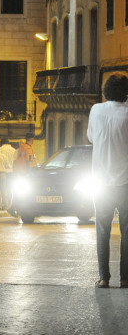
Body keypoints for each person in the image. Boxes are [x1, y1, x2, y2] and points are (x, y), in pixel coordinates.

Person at [87, 73, 128, 288]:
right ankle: (125, 278)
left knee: (102, 230)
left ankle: (104, 278)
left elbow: (91, 137)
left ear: (106, 91)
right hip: (125, 183)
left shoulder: (96, 110)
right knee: (127, 233)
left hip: (101, 182)